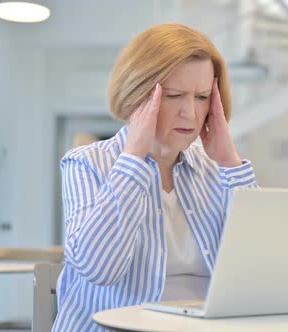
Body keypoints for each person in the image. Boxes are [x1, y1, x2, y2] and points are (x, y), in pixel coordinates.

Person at [52, 23, 258, 331]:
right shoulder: (87, 163)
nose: (190, 112)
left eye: (202, 97)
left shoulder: (217, 171)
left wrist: (230, 163)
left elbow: (258, 270)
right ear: (138, 96)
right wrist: (133, 158)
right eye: (175, 95)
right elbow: (98, 269)